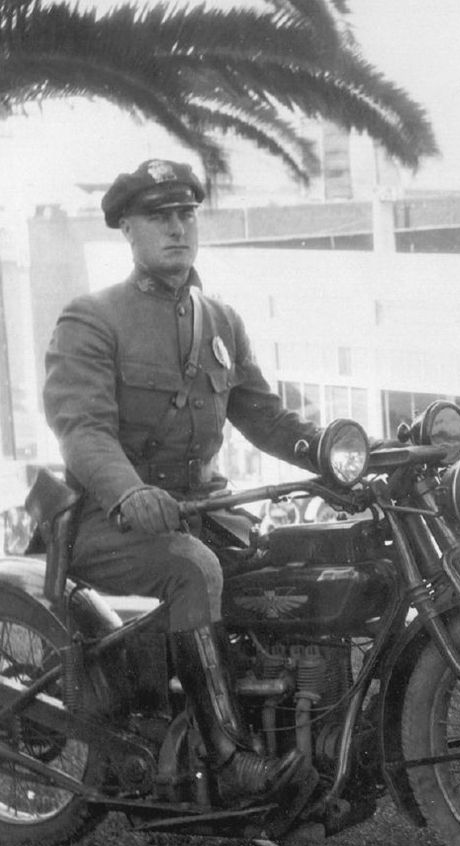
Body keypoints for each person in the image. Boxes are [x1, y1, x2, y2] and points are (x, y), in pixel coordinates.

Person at [43, 159, 318, 809]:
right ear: (128, 231)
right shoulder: (92, 317)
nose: (176, 228)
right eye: (158, 217)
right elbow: (82, 428)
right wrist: (128, 490)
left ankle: (272, 716)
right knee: (192, 569)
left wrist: (335, 449)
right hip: (106, 516)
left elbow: (266, 417)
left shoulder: (218, 321)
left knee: (295, 570)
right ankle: (227, 757)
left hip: (203, 508)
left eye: (185, 214)